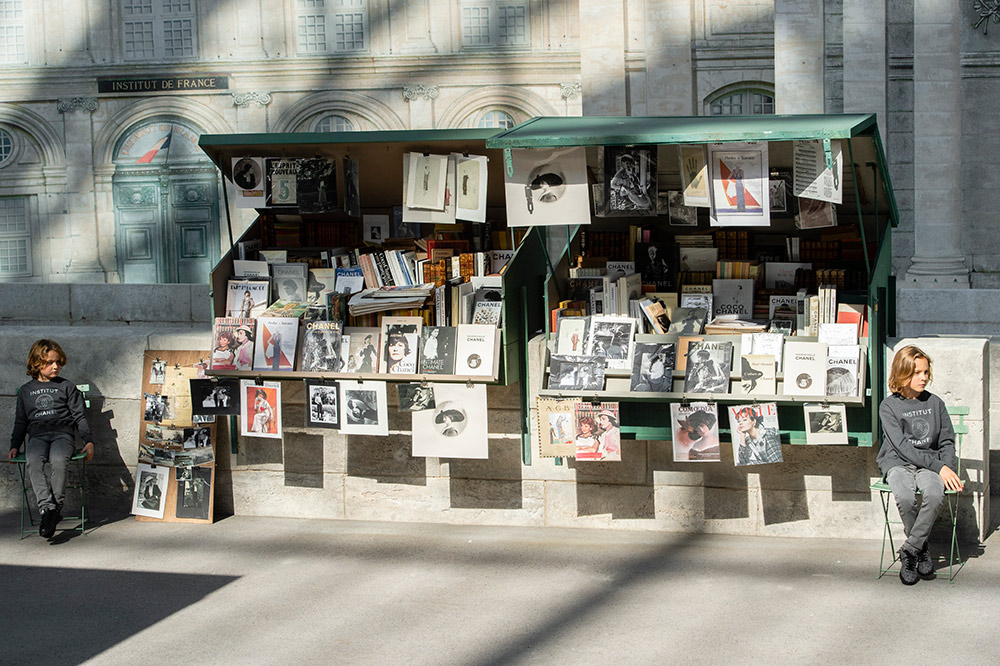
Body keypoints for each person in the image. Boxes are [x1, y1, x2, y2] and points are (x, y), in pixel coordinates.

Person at [877, 345, 962, 585]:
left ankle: (910, 550)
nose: (923, 377)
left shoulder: (935, 403)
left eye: (925, 371)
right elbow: (903, 448)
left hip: (929, 464)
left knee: (935, 494)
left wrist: (946, 467)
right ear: (902, 373)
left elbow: (946, 441)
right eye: (916, 373)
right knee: (904, 497)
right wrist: (939, 468)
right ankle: (922, 548)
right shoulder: (889, 406)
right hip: (898, 463)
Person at [8, 340, 95, 539]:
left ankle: (55, 508)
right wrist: (14, 445)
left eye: (57, 362)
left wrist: (88, 440)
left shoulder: (66, 387)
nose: (55, 366)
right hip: (37, 436)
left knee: (58, 460)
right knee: (33, 461)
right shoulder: (26, 391)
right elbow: (20, 421)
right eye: (49, 363)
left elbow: (79, 416)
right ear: (36, 363)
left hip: (62, 435)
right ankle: (48, 510)